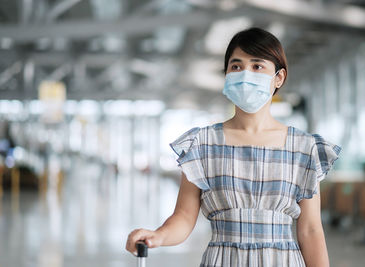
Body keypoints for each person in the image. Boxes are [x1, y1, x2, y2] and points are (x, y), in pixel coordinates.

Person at [126, 27, 342, 266]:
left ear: (279, 78)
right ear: (227, 74)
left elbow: (310, 230)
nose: (245, 74)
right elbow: (184, 217)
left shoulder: (304, 148)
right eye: (236, 66)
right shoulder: (203, 145)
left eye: (257, 66)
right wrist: (159, 235)